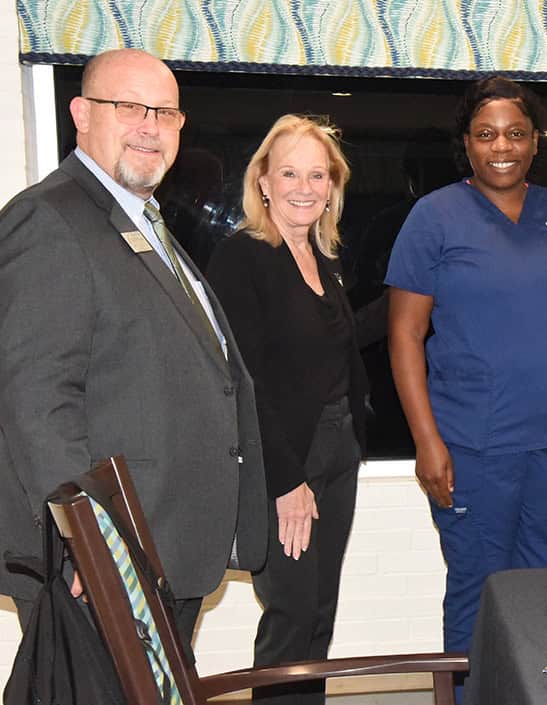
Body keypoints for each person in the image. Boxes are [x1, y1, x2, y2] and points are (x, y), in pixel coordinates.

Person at [0, 49, 267, 641]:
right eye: (129, 107)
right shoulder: (49, 220)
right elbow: (37, 402)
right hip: (105, 559)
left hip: (164, 544)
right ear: (81, 114)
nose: (150, 125)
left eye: (166, 113)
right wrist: (88, 545)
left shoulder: (144, 222)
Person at [385, 78, 547, 658]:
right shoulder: (434, 217)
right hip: (473, 449)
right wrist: (426, 441)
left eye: (515, 133)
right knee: (479, 594)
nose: (501, 146)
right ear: (467, 143)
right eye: (486, 135)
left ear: (536, 142)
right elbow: (405, 336)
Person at [206, 115, 367, 704]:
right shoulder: (241, 258)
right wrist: (285, 479)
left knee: (320, 613)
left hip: (338, 452)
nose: (305, 187)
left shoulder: (322, 257)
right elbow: (243, 381)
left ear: (332, 187)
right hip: (284, 464)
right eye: (290, 173)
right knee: (290, 615)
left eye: (317, 174)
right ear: (264, 183)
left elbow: (331, 353)